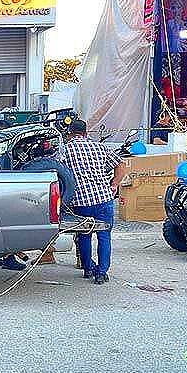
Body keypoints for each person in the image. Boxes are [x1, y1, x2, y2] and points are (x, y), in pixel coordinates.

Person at [57, 120, 127, 284]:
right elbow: (121, 165)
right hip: (104, 198)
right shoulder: (100, 147)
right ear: (85, 133)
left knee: (84, 235)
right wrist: (114, 184)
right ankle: (102, 272)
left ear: (69, 134)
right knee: (104, 236)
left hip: (82, 202)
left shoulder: (65, 151)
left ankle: (88, 269)